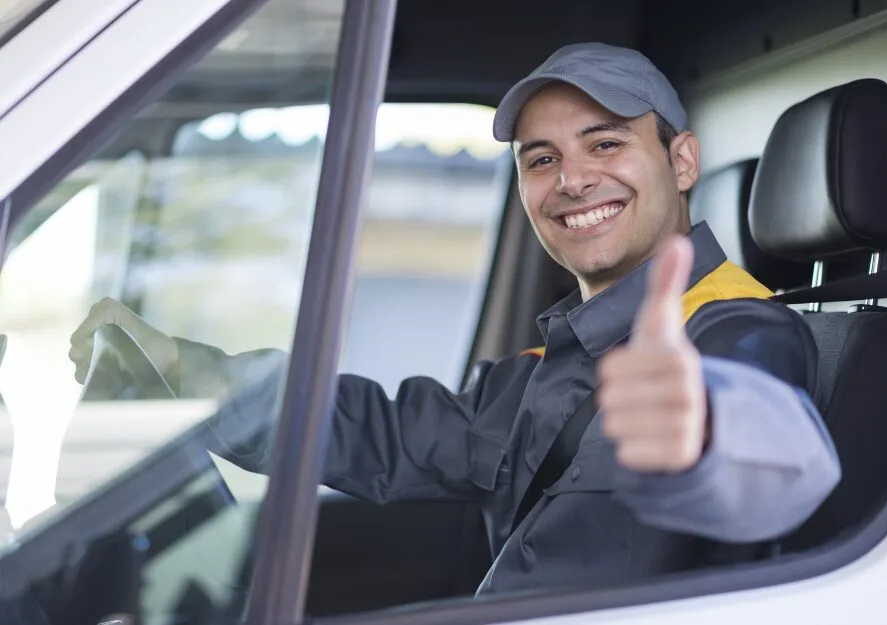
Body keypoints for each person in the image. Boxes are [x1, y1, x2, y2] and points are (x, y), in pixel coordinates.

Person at [69, 42, 840, 595]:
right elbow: (387, 432)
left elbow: (773, 452)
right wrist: (191, 370)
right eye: (541, 159)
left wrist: (705, 433)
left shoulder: (734, 330)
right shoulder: (562, 357)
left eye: (606, 143)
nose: (572, 179)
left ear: (681, 162)